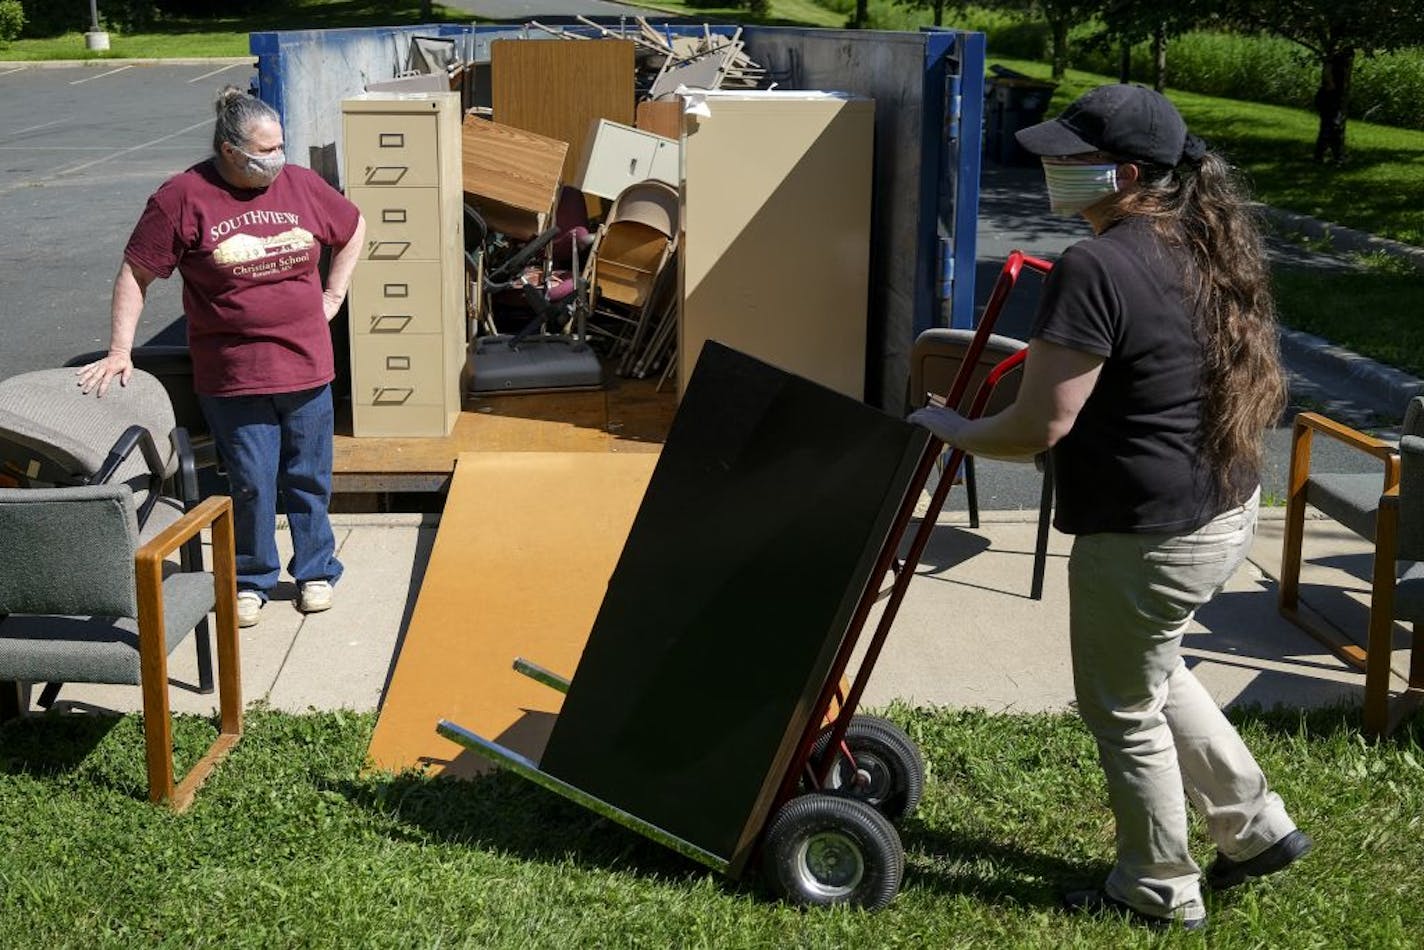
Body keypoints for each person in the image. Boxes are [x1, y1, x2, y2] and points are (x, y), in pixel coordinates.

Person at [909, 83, 1311, 930]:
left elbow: (1039, 424)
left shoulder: (1097, 264)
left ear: (1126, 173)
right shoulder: (1202, 241)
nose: (1052, 167)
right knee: (1154, 670)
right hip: (1221, 511)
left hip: (1148, 536)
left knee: (1122, 706)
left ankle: (1160, 887)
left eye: (1070, 158)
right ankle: (1256, 827)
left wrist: (948, 425)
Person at [77, 86, 367, 629]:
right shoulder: (182, 197)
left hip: (307, 365)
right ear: (231, 150)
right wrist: (121, 350)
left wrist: (333, 295)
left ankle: (316, 570)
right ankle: (253, 578)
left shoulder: (300, 185)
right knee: (252, 480)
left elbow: (353, 229)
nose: (277, 158)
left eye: (281, 146)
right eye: (266, 149)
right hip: (235, 374)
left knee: (309, 475)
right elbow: (136, 273)